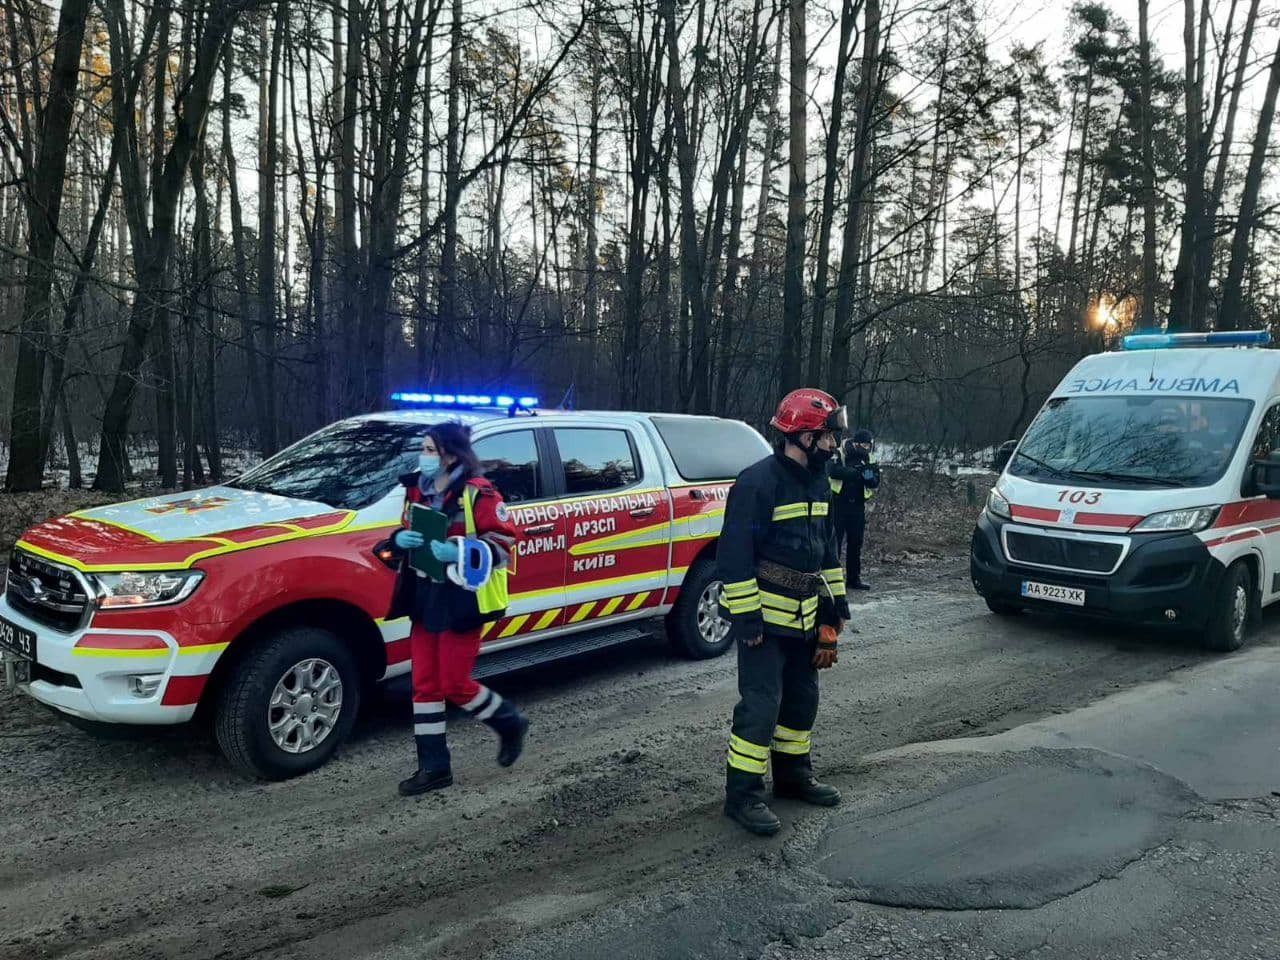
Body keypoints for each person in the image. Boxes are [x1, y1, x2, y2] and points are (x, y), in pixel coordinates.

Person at [717, 388, 852, 836]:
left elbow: (827, 550)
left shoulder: (818, 482)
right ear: (802, 437)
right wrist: (748, 621)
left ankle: (793, 778)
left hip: (806, 617)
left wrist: (834, 612)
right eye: (827, 437)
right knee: (761, 707)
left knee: (801, 700)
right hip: (765, 623)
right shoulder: (757, 483)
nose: (833, 446)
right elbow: (734, 557)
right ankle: (743, 796)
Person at [377, 422, 529, 796]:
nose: (423, 456)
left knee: (454, 683)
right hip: (423, 595)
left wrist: (459, 550)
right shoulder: (416, 488)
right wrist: (397, 541)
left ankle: (509, 722)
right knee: (424, 686)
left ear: (449, 454)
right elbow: (395, 543)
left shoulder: (479, 493)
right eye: (424, 449)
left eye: (429, 449)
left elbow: (506, 545)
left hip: (461, 598)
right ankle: (434, 767)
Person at [829, 429, 880, 591]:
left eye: (869, 445)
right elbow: (833, 471)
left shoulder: (869, 458)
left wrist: (870, 478)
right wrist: (856, 473)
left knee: (855, 543)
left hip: (857, 506)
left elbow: (875, 481)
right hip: (838, 504)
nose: (867, 448)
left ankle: (853, 579)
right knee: (834, 544)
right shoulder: (839, 452)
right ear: (856, 443)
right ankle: (831, 580)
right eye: (865, 444)